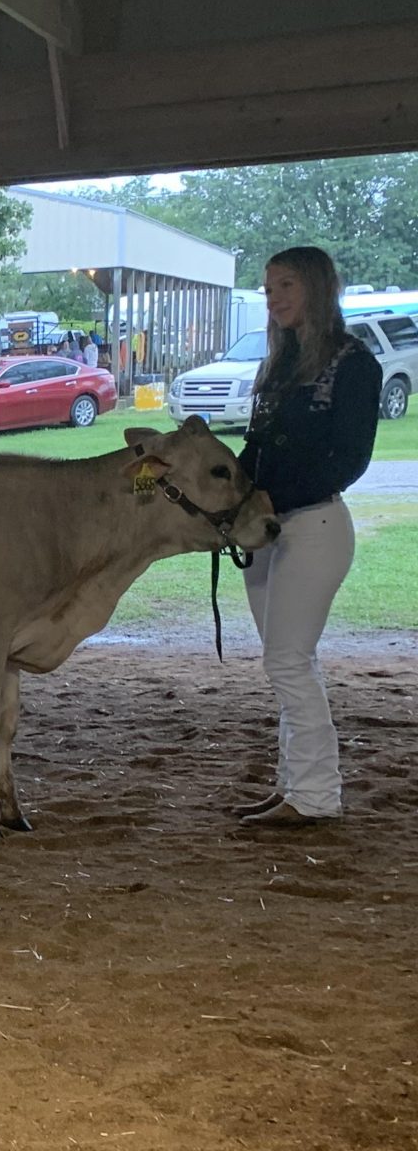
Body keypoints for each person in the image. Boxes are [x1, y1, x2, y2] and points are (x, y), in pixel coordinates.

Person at [232, 245, 381, 828]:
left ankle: (316, 796)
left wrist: (270, 500)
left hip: (314, 525)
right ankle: (298, 785)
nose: (275, 298)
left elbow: (349, 460)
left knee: (287, 660)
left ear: (318, 288)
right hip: (267, 529)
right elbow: (256, 448)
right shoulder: (279, 363)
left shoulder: (352, 362)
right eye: (269, 288)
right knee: (289, 662)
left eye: (287, 285)